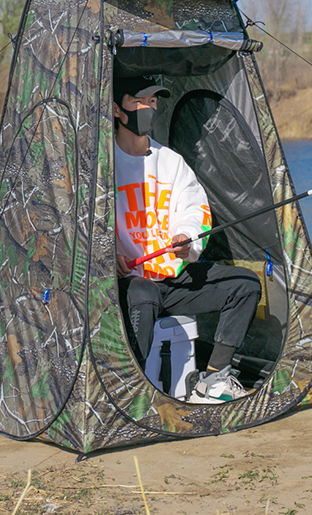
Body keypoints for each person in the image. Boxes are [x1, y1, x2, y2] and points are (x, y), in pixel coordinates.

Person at [113, 75, 262, 403]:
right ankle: (132, 392)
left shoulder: (170, 162)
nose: (148, 108)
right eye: (140, 102)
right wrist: (108, 258)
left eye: (153, 102)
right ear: (117, 110)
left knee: (245, 284)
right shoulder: (102, 163)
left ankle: (213, 378)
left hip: (174, 278)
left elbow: (196, 209)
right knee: (143, 295)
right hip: (129, 283)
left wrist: (187, 239)